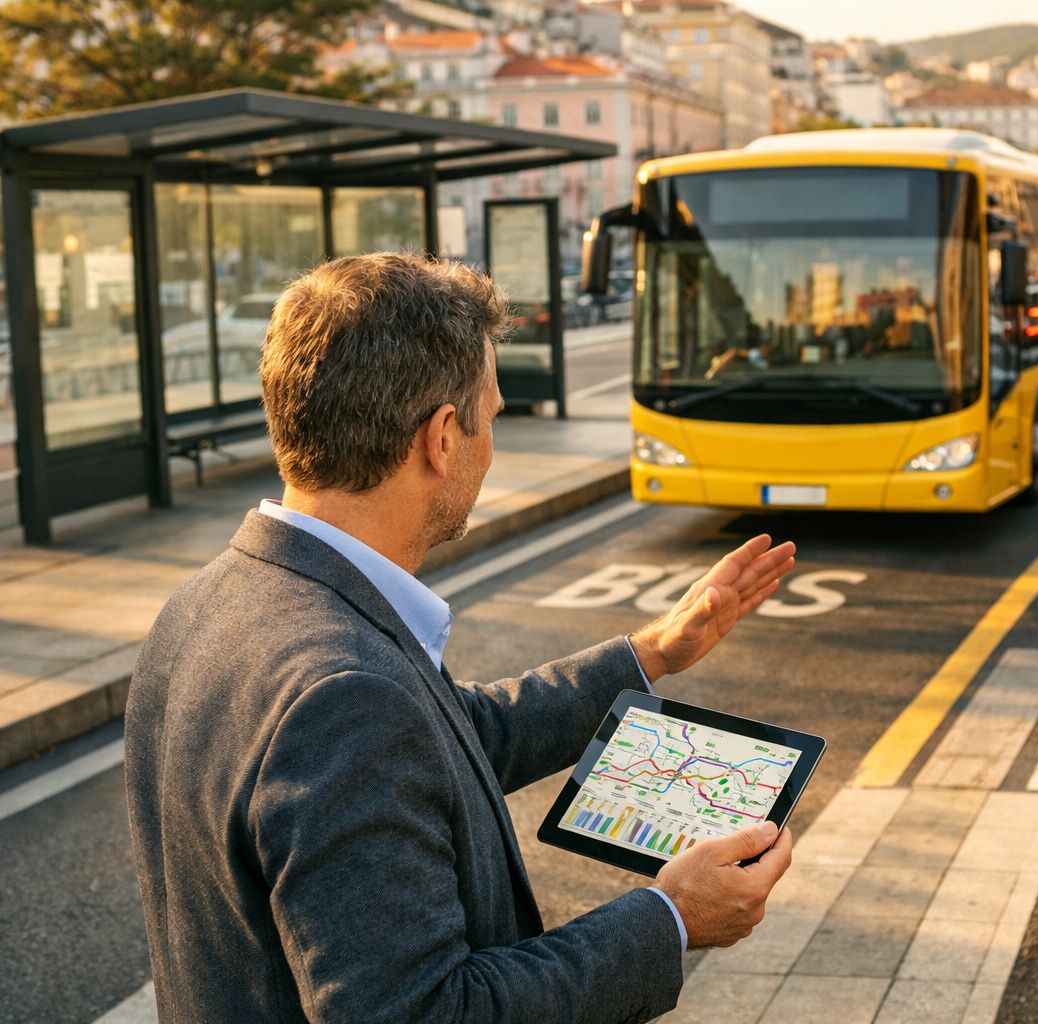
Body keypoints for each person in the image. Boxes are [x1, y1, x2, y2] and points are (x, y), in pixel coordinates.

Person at [124, 253, 798, 1023]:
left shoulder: (209, 602)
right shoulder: (343, 696)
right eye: (494, 414)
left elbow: (449, 740)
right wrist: (670, 919)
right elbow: (424, 1012)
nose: (492, 445)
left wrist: (649, 654)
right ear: (442, 438)